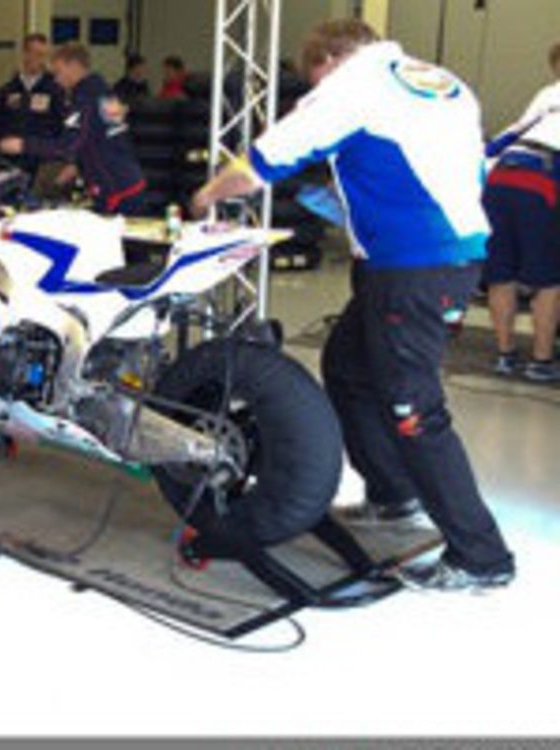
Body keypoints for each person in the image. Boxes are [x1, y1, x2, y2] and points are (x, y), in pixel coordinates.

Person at [191, 19, 515, 592]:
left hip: (413, 267)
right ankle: (393, 494)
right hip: (434, 255)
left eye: (315, 78)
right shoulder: (438, 80)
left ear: (331, 60)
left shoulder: (352, 86)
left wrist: (207, 193)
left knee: (414, 409)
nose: (315, 88)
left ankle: (481, 557)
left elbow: (265, 161)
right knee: (347, 366)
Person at [483, 42, 560, 382]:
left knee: (501, 273)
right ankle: (541, 362)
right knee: (550, 279)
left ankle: (505, 355)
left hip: (502, 175)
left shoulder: (549, 93)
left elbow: (507, 136)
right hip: (543, 180)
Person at [0, 43, 148, 216]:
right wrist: (77, 164)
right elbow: (99, 138)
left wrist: (22, 145)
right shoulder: (103, 92)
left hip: (116, 191)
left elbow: (68, 145)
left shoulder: (87, 98)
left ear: (73, 66)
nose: (56, 80)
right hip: (126, 183)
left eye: (58, 72)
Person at [0, 33, 66, 174]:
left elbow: (60, 126)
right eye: (33, 53)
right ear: (24, 54)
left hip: (42, 161)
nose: (37, 59)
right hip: (11, 160)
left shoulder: (55, 91)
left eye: (42, 55)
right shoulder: (9, 90)